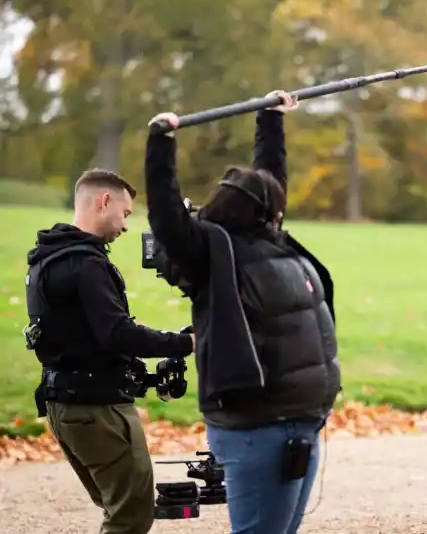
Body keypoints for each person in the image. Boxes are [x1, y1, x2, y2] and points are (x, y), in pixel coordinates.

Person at [143, 90, 341, 534]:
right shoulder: (212, 255)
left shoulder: (271, 241)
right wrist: (161, 145)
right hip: (258, 429)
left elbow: (271, 179)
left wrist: (269, 119)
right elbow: (167, 217)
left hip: (300, 423)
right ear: (263, 211)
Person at [24, 170, 196, 534]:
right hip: (95, 409)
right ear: (104, 202)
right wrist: (185, 343)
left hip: (66, 404)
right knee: (130, 515)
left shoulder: (46, 258)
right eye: (126, 214)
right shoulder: (85, 264)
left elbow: (87, 337)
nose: (126, 226)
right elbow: (117, 333)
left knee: (119, 506)